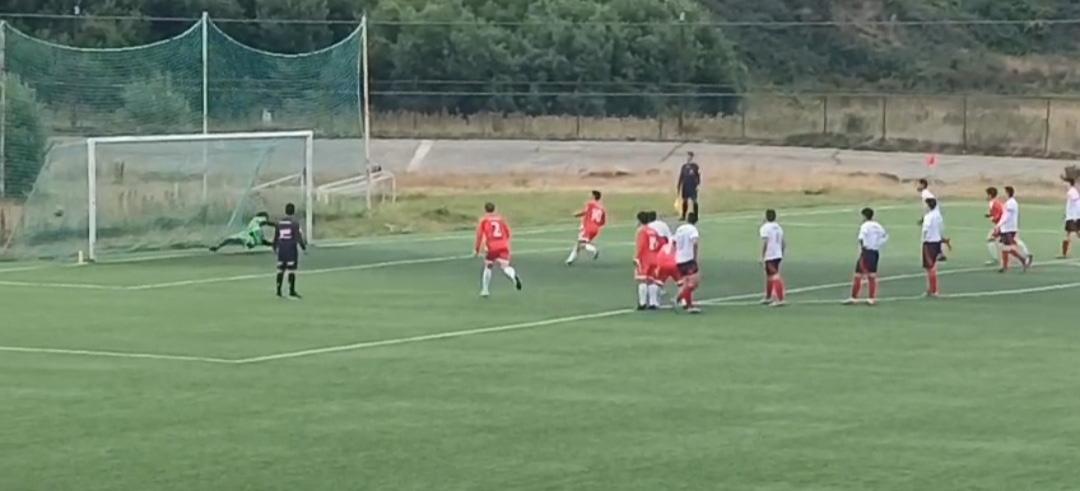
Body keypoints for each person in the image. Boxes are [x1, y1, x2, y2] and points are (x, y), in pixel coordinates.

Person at [475, 202, 523, 297]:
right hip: (503, 246)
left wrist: (477, 250)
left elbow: (479, 236)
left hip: (491, 246)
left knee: (488, 266)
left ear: (485, 210)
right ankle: (513, 276)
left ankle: (485, 290)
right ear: (495, 209)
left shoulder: (484, 220)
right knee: (505, 266)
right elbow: (508, 233)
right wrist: (505, 242)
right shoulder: (501, 219)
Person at [846, 207, 888, 306]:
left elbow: (861, 238)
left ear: (864, 216)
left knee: (858, 275)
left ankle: (854, 298)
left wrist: (863, 248)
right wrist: (877, 244)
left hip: (866, 252)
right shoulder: (877, 225)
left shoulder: (865, 226)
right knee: (872, 275)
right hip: (875, 252)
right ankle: (871, 298)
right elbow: (885, 236)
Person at [272, 204, 306, 299]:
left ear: (285, 211)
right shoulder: (295, 223)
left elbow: (276, 236)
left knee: (280, 269)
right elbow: (298, 237)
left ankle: (278, 290)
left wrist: (274, 247)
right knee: (291, 270)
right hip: (291, 249)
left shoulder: (279, 223)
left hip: (282, 249)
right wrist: (303, 247)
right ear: (293, 211)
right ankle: (291, 290)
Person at [997, 186, 1032, 272]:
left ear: (1008, 193)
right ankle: (1005, 266)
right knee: (1004, 247)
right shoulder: (1009, 203)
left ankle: (1023, 259)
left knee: (1007, 247)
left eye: (1004, 192)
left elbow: (1006, 216)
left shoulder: (1011, 203)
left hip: (1008, 228)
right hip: (1007, 228)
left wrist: (999, 225)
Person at [566, 190, 606, 265]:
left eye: (590, 195)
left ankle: (594, 249)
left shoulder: (591, 204)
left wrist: (576, 215)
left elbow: (585, 212)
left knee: (582, 244)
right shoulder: (602, 208)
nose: (589, 196)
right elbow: (602, 222)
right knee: (579, 243)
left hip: (588, 227)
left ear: (594, 196)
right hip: (595, 229)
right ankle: (570, 260)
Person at [673, 212, 702, 313]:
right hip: (688, 259)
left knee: (685, 282)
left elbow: (674, 242)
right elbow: (695, 243)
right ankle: (678, 298)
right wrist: (695, 257)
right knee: (694, 283)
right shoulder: (693, 230)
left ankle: (688, 305)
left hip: (679, 259)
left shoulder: (680, 228)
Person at [634, 211, 663, 310]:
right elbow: (659, 243)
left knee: (642, 280)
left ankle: (642, 303)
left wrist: (636, 257)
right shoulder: (653, 231)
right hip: (655, 257)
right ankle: (653, 302)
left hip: (645, 258)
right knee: (652, 280)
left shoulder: (642, 231)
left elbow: (641, 246)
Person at [759, 209, 786, 307]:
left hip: (770, 255)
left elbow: (765, 242)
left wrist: (762, 256)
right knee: (770, 276)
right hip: (778, 254)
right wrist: (781, 253)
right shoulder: (779, 227)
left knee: (774, 276)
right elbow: (783, 243)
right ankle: (768, 297)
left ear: (766, 217)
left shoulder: (765, 228)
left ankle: (780, 299)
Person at [210, 212, 274, 252]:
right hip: (250, 234)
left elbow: (263, 224)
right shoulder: (258, 218)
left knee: (230, 239)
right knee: (259, 241)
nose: (267, 218)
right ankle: (217, 247)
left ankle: (218, 247)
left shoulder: (254, 222)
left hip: (246, 234)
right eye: (267, 217)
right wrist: (275, 224)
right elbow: (265, 222)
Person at [921, 198, 944, 297]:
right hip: (937, 241)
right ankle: (931, 289)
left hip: (929, 243)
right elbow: (941, 228)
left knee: (930, 268)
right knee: (932, 266)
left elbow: (925, 229)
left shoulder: (928, 217)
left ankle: (933, 290)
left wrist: (923, 239)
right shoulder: (938, 215)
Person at [677, 152, 701, 221]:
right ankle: (683, 216)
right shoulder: (684, 167)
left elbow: (698, 176)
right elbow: (681, 177)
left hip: (693, 186)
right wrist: (679, 186)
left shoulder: (695, 166)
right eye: (687, 156)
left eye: (689, 156)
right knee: (685, 201)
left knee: (694, 201)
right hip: (685, 186)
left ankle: (696, 216)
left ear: (692, 157)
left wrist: (698, 185)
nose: (688, 158)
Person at [984, 187, 1005, 265]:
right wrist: (990, 215)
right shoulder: (995, 202)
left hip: (1000, 225)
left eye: (987, 194)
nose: (986, 196)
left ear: (990, 195)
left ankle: (995, 259)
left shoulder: (993, 203)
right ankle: (1026, 254)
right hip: (1002, 224)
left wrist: (994, 218)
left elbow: (1000, 213)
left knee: (990, 240)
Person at [1061, 177, 1080, 258]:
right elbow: (1071, 205)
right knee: (1074, 234)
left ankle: (1065, 254)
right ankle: (1065, 254)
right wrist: (1066, 214)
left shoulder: (1072, 192)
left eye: (1065, 182)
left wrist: (1075, 216)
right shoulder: (1071, 191)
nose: (1063, 184)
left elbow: (1077, 204)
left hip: (1073, 217)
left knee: (1069, 234)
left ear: (1069, 183)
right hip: (1072, 216)